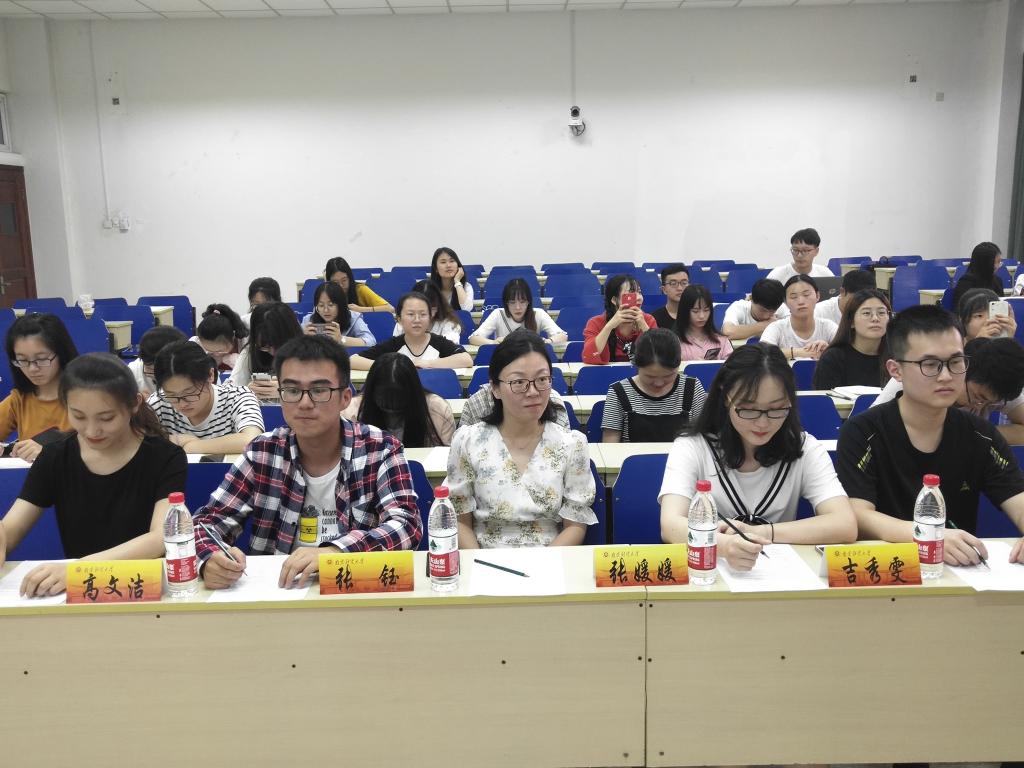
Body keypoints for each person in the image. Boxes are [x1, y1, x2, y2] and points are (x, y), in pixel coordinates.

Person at [193, 335, 423, 590]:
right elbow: (206, 523)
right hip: (279, 594)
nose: (304, 403)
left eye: (319, 391)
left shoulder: (380, 449)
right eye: (292, 391)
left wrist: (336, 552)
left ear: (345, 398)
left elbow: (407, 525)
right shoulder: (262, 452)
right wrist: (209, 558)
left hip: (354, 593)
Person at [836, 305, 1024, 564]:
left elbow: (1018, 499)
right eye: (930, 364)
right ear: (896, 370)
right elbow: (858, 514)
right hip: (886, 569)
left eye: (955, 362)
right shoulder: (862, 432)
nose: (946, 376)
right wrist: (928, 537)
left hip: (957, 571)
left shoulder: (981, 435)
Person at [0, 353, 187, 597]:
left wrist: (81, 569)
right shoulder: (55, 457)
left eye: (106, 418)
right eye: (78, 416)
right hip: (80, 594)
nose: (91, 431)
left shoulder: (165, 457)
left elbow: (160, 537)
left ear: (134, 404)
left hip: (143, 590)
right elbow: (10, 530)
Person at [659, 343, 856, 571]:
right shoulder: (693, 446)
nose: (762, 423)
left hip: (779, 576)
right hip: (709, 575)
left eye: (776, 409)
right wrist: (725, 546)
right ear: (726, 397)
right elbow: (670, 525)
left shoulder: (805, 448)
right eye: (749, 409)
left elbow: (844, 524)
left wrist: (762, 532)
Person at [447, 331, 596, 548]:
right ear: (495, 388)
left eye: (542, 380)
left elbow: (575, 525)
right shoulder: (468, 441)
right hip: (483, 559)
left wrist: (542, 565)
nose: (533, 391)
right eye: (519, 382)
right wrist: (478, 562)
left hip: (551, 558)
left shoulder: (572, 444)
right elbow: (460, 520)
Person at [872, 336, 1024, 444]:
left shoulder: (1000, 383)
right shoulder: (914, 377)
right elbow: (870, 430)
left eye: (991, 404)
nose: (981, 407)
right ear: (961, 369)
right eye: (978, 397)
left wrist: (979, 433)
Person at [149, 340, 265, 455]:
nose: (182, 404)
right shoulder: (159, 402)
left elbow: (254, 441)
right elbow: (140, 440)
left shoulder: (238, 397)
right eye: (172, 395)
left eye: (190, 393)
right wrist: (177, 440)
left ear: (210, 375)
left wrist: (192, 446)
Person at [601, 328, 707, 443]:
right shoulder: (619, 392)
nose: (659, 383)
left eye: (668, 376)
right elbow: (610, 444)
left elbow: (704, 438)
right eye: (650, 377)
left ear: (679, 364)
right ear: (636, 365)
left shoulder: (692, 388)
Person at [0, 313, 79, 462]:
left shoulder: (87, 396)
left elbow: (106, 449)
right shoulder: (19, 399)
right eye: (22, 360)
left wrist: (49, 453)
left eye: (41, 359)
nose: (32, 369)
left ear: (61, 354)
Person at [342, 352, 454, 447]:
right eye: (385, 396)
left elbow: (445, 456)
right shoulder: (350, 413)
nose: (392, 404)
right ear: (372, 392)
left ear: (413, 392)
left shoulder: (437, 410)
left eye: (399, 397)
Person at [351, 291, 472, 371]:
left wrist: (427, 363)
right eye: (410, 314)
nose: (417, 320)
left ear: (430, 318)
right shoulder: (393, 345)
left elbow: (466, 359)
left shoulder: (439, 342)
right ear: (399, 319)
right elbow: (353, 360)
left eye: (423, 314)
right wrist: (393, 365)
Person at [811, 288, 892, 390]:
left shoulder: (897, 357)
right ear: (851, 321)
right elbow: (824, 398)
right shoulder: (833, 358)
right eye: (866, 313)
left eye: (881, 313)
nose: (875, 318)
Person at [228, 301, 304, 400]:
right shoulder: (250, 353)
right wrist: (246, 391)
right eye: (265, 347)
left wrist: (287, 391)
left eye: (278, 345)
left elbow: (319, 393)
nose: (273, 352)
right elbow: (230, 389)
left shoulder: (309, 354)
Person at [582, 274, 658, 364]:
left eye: (639, 292)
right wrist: (609, 327)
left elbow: (660, 355)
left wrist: (644, 327)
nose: (638, 298)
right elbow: (588, 357)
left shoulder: (648, 320)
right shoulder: (595, 323)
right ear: (614, 300)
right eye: (631, 293)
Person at [760, 275, 838, 360]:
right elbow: (762, 353)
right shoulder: (776, 328)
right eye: (793, 297)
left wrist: (828, 349)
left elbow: (846, 352)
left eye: (806, 294)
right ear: (785, 302)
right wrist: (800, 352)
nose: (801, 301)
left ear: (817, 296)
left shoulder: (828, 326)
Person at [469, 278, 567, 345]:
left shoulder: (538, 313)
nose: (518, 307)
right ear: (506, 303)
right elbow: (473, 338)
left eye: (522, 302)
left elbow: (562, 336)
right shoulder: (498, 314)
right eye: (512, 302)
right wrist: (493, 342)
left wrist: (547, 341)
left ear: (528, 302)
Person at [301, 281, 376, 347]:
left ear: (340, 304)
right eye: (321, 305)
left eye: (331, 305)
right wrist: (302, 338)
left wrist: (341, 339)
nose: (326, 310)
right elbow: (295, 344)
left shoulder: (353, 318)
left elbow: (371, 341)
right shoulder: (308, 320)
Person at [391, 279, 462, 345]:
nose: (417, 319)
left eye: (424, 312)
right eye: (412, 312)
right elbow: (395, 348)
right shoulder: (403, 322)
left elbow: (451, 350)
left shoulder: (450, 324)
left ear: (437, 306)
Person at [674, 284, 734, 361]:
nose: (702, 316)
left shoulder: (722, 340)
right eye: (695, 311)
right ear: (685, 311)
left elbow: (732, 366)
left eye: (706, 310)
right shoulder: (675, 341)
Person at [721, 278, 789, 341]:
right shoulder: (738, 307)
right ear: (751, 299)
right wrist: (766, 324)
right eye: (763, 310)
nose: (766, 316)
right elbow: (728, 332)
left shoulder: (781, 307)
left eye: (772, 311)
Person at [130, 325, 187, 399]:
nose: (157, 376)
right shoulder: (133, 372)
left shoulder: (190, 371)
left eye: (163, 371)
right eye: (150, 369)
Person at [325, 256, 394, 315]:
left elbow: (390, 309)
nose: (341, 285)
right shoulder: (325, 294)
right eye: (335, 282)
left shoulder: (360, 289)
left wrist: (360, 309)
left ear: (350, 278)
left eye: (344, 280)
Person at [765, 228, 834, 284]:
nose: (799, 255)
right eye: (795, 250)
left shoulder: (825, 274)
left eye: (805, 251)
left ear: (816, 251)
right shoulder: (777, 276)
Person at [191, 303, 248, 371]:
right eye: (210, 350)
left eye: (220, 351)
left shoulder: (246, 343)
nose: (216, 355)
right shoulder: (196, 344)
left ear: (233, 337)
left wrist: (239, 362)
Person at [952, 241, 1004, 310]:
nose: (997, 266)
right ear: (984, 263)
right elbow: (961, 311)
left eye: (999, 262)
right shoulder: (966, 282)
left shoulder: (997, 281)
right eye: (994, 262)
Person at [430, 246, 474, 311]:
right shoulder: (428, 288)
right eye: (443, 262)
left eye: (452, 261)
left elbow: (467, 309)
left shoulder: (466, 287)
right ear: (436, 268)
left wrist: (457, 281)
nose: (448, 265)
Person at [651, 264, 690, 330]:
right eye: (673, 284)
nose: (680, 288)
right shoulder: (655, 318)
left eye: (684, 283)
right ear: (664, 290)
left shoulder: (696, 315)